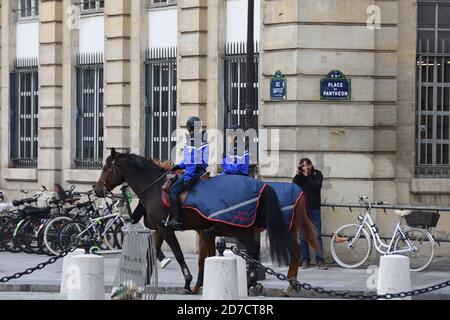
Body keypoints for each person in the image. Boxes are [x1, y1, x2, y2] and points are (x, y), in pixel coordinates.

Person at [166, 116, 209, 230]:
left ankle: (176, 219)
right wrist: (178, 166)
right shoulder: (202, 139)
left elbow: (192, 163)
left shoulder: (193, 141)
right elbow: (189, 160)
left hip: (194, 172)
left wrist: (187, 178)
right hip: (201, 171)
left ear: (189, 128)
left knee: (173, 191)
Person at [292, 158, 328, 270]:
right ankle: (305, 260)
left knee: (317, 235)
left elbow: (316, 188)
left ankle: (320, 261)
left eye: (306, 165)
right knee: (303, 236)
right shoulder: (299, 177)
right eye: (302, 166)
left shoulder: (317, 174)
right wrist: (298, 175)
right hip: (302, 209)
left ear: (311, 165)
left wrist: (308, 176)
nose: (304, 168)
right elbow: (293, 188)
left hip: (314, 208)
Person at [131, 202, 171, 269]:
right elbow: (139, 211)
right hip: (153, 223)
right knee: (152, 242)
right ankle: (161, 259)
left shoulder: (145, 197)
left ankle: (157, 260)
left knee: (151, 243)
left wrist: (133, 220)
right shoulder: (146, 197)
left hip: (152, 223)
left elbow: (138, 212)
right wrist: (134, 219)